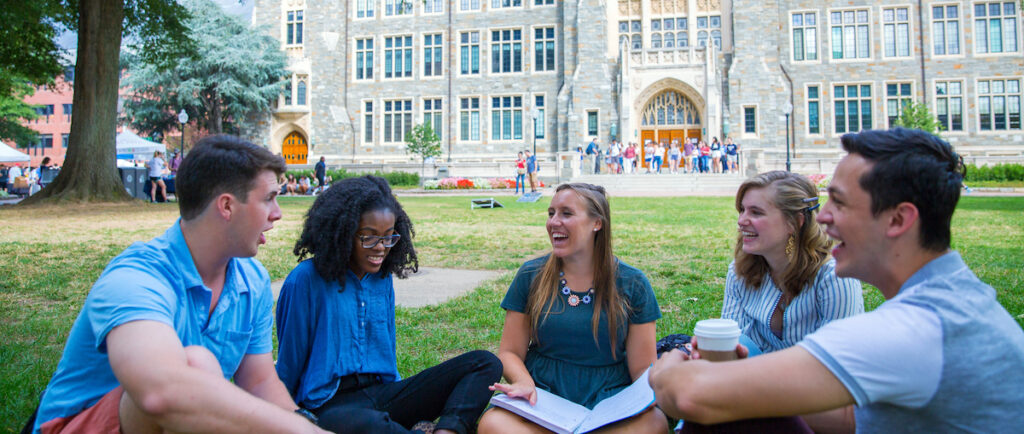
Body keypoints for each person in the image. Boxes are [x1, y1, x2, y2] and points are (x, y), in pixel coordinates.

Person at [650, 128, 1024, 432]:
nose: (822, 217)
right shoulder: (953, 298)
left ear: (898, 220)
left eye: (839, 203)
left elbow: (689, 395)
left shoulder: (916, 327)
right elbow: (848, 420)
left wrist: (672, 362)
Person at [28, 135, 325, 433]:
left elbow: (259, 382)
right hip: (78, 426)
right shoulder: (137, 277)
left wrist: (303, 421)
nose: (278, 213)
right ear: (227, 206)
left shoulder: (253, 279)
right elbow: (162, 394)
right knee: (196, 366)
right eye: (268, 198)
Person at [276, 175, 502, 433]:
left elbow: (388, 348)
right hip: (330, 406)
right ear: (343, 232)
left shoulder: (381, 280)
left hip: (382, 395)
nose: (381, 248)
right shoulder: (305, 280)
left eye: (388, 237)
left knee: (485, 363)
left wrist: (404, 401)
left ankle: (445, 431)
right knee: (372, 425)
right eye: (369, 237)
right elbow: (288, 365)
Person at [478, 183, 667, 434]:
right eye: (551, 213)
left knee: (655, 423)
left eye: (566, 213)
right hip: (543, 396)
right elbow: (510, 352)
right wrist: (523, 381)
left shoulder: (633, 283)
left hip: (609, 398)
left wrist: (642, 399)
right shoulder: (531, 274)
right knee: (493, 424)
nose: (554, 222)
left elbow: (643, 368)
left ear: (596, 223)